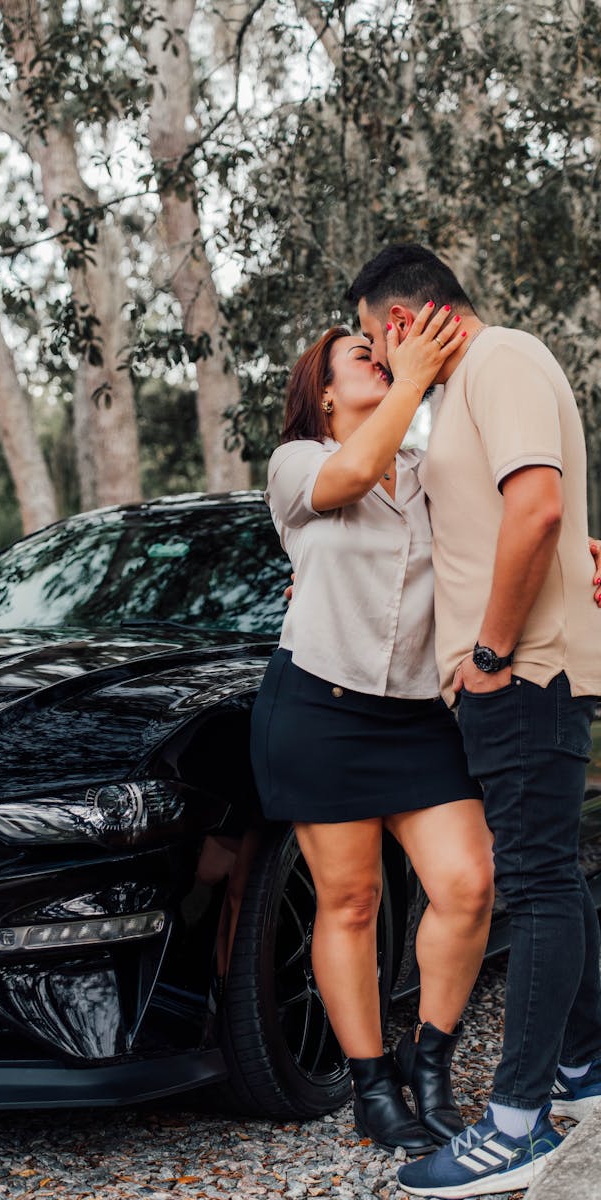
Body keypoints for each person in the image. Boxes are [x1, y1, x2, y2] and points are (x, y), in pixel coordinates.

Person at [347, 244, 601, 1198]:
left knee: (534, 887)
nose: (379, 356)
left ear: (402, 320)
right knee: (554, 877)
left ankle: (516, 1126)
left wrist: (490, 657)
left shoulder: (503, 360)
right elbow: (516, 520)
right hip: (516, 677)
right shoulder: (470, 389)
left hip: (523, 675)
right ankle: (587, 1067)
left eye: (374, 338)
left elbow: (535, 510)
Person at [250, 303, 497, 1154]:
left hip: (420, 716)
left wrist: (579, 554)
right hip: (319, 708)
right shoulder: (298, 463)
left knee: (468, 884)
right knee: (350, 902)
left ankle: (430, 1062)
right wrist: (416, 379)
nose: (383, 356)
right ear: (323, 394)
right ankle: (370, 1084)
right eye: (363, 353)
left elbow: (498, 535)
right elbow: (353, 475)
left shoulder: (432, 472)